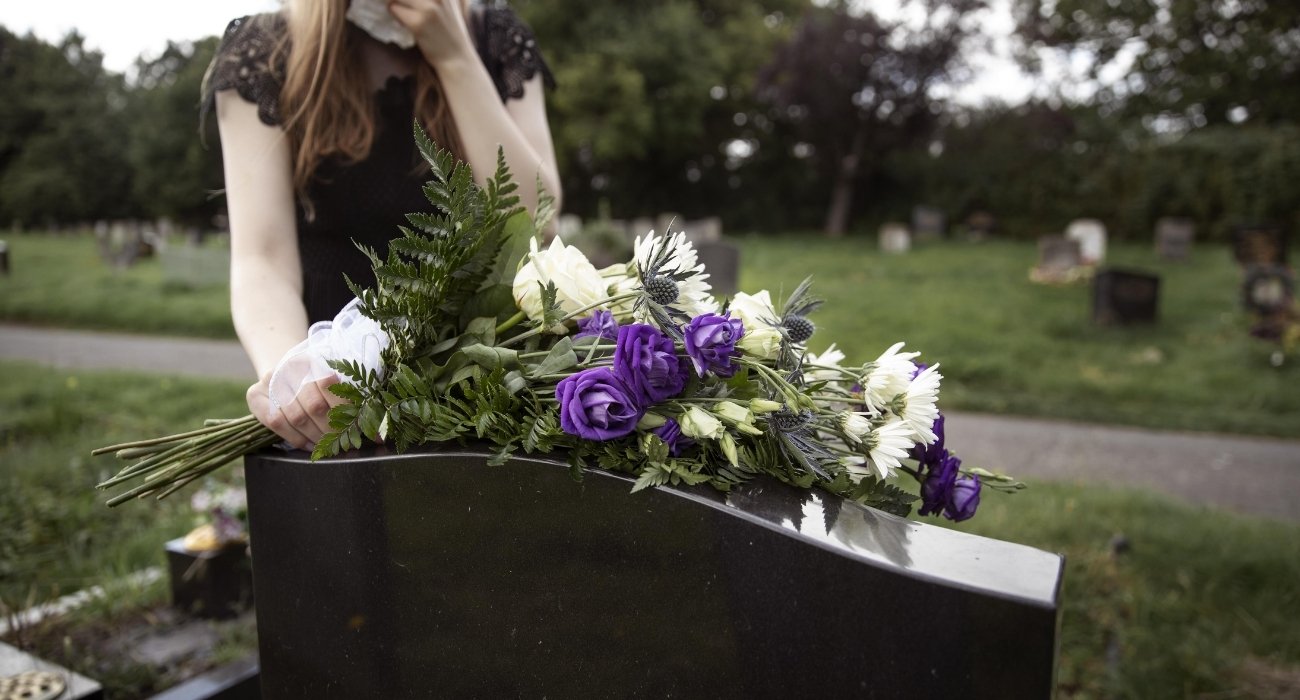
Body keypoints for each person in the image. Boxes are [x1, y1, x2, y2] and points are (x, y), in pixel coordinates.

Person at [204, 0, 560, 451]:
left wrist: (454, 56)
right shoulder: (266, 52)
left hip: (485, 403)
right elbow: (262, 260)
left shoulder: (495, 37)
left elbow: (536, 219)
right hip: (335, 407)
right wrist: (298, 382)